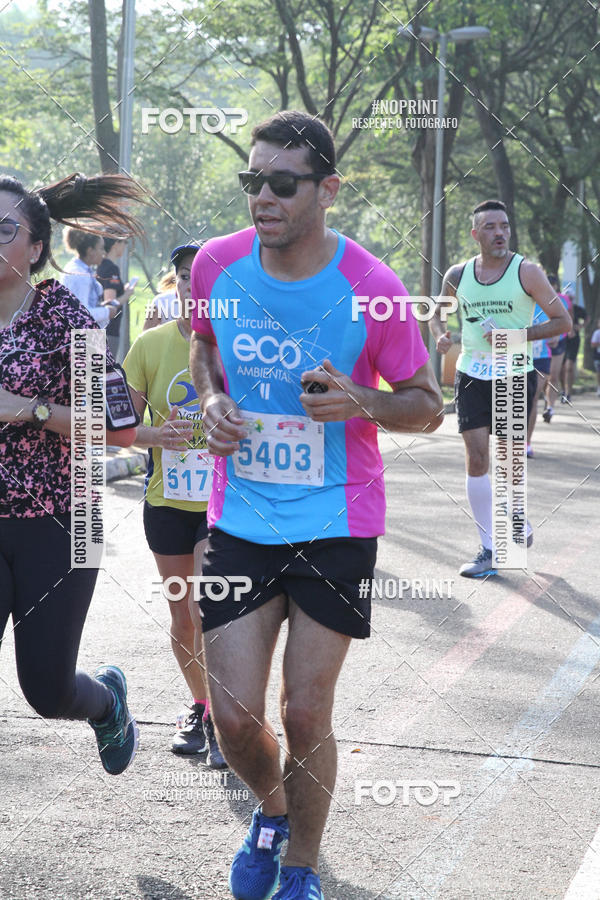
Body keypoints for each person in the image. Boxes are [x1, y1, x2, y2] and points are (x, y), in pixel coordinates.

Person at [189, 110, 443, 900]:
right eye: (251, 180)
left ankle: (300, 863)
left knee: (304, 712)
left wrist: (362, 402)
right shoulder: (216, 266)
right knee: (232, 719)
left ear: (327, 189)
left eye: (282, 182)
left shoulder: (375, 287)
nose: (261, 195)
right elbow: (203, 345)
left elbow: (427, 402)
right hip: (241, 516)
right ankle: (270, 812)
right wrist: (210, 402)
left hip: (337, 519)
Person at [0, 171, 144, 774]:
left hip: (63, 520)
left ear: (36, 248)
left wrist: (27, 410)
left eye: (4, 229)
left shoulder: (66, 315)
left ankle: (105, 701)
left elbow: (117, 428)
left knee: (47, 690)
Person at [123, 243, 225, 767]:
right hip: (166, 501)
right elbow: (117, 427)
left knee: (210, 609)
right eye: (185, 276)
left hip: (221, 503)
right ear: (176, 283)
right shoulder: (150, 345)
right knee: (183, 614)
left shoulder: (234, 344)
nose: (192, 286)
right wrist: (156, 435)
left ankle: (223, 719)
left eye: (202, 277)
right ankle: (202, 705)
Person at [430, 201, 571, 577]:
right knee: (478, 459)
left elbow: (563, 321)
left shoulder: (528, 271)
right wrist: (441, 337)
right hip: (472, 373)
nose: (499, 233)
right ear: (475, 234)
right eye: (490, 227)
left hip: (514, 372)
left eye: (504, 226)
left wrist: (516, 335)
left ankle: (516, 514)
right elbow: (436, 314)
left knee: (507, 463)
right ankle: (490, 548)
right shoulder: (458, 275)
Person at [62, 228, 122, 328]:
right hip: (81, 336)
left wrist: (100, 306)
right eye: (101, 248)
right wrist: (107, 311)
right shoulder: (80, 274)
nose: (104, 253)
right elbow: (80, 314)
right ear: (90, 251)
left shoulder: (82, 270)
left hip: (88, 334)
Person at [96, 232, 136, 357]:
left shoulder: (100, 265)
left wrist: (121, 290)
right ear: (115, 244)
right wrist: (127, 294)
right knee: (103, 374)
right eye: (125, 242)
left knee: (93, 375)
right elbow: (110, 302)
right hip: (108, 332)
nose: (125, 246)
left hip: (99, 330)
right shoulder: (111, 269)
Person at [542, 275, 572, 422]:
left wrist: (561, 333)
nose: (551, 287)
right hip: (540, 342)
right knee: (543, 377)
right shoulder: (536, 297)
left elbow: (568, 321)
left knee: (553, 375)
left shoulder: (564, 300)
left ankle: (550, 407)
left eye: (553, 284)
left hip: (559, 341)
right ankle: (543, 397)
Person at [527, 302, 552, 458]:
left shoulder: (546, 305)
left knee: (532, 397)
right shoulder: (517, 301)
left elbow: (558, 325)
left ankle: (526, 443)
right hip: (519, 356)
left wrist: (555, 338)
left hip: (541, 357)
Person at [560, 289, 587, 403]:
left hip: (573, 340)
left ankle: (568, 393)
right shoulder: (559, 308)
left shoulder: (577, 309)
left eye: (570, 298)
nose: (569, 300)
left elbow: (587, 317)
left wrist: (580, 327)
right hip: (562, 339)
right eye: (567, 298)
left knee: (569, 367)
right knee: (560, 368)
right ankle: (563, 390)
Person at [591, 318, 600, 396]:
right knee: (598, 372)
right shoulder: (597, 333)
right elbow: (593, 344)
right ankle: (599, 387)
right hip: (598, 355)